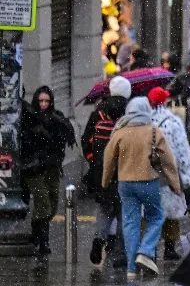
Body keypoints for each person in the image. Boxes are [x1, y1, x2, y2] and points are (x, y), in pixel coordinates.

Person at [102, 96, 181, 277]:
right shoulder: (154, 131)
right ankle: (145, 252)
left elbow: (108, 159)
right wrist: (175, 184)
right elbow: (168, 160)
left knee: (130, 223)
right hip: (148, 182)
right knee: (156, 215)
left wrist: (105, 181)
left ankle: (131, 268)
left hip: (125, 183)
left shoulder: (120, 132)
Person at [19, 86, 75, 256]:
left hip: (51, 167)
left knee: (52, 203)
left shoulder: (56, 118)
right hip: (33, 168)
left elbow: (62, 142)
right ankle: (42, 240)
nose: (43, 104)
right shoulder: (29, 118)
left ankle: (38, 233)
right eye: (41, 101)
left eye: (46, 101)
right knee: (43, 202)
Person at [83, 75, 131, 266]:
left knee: (104, 208)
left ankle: (98, 239)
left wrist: (94, 161)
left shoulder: (98, 112)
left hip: (101, 171)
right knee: (123, 212)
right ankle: (119, 251)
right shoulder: (130, 113)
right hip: (125, 169)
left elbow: (86, 140)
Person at [150, 87, 190, 261]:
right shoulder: (174, 122)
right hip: (171, 173)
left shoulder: (143, 121)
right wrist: (187, 177)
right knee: (172, 211)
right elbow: (183, 151)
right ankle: (170, 247)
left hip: (150, 174)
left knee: (151, 213)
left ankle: (150, 248)